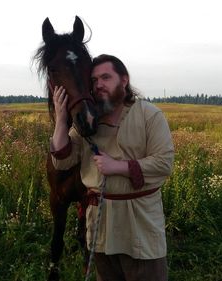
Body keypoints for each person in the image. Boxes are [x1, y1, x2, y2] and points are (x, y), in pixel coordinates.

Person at [50, 54, 174, 281]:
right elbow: (62, 159)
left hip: (140, 223)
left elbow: (164, 163)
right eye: (95, 80)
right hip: (101, 224)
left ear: (124, 80)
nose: (99, 84)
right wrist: (60, 119)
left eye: (106, 77)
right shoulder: (90, 121)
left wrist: (118, 166)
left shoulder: (149, 115)